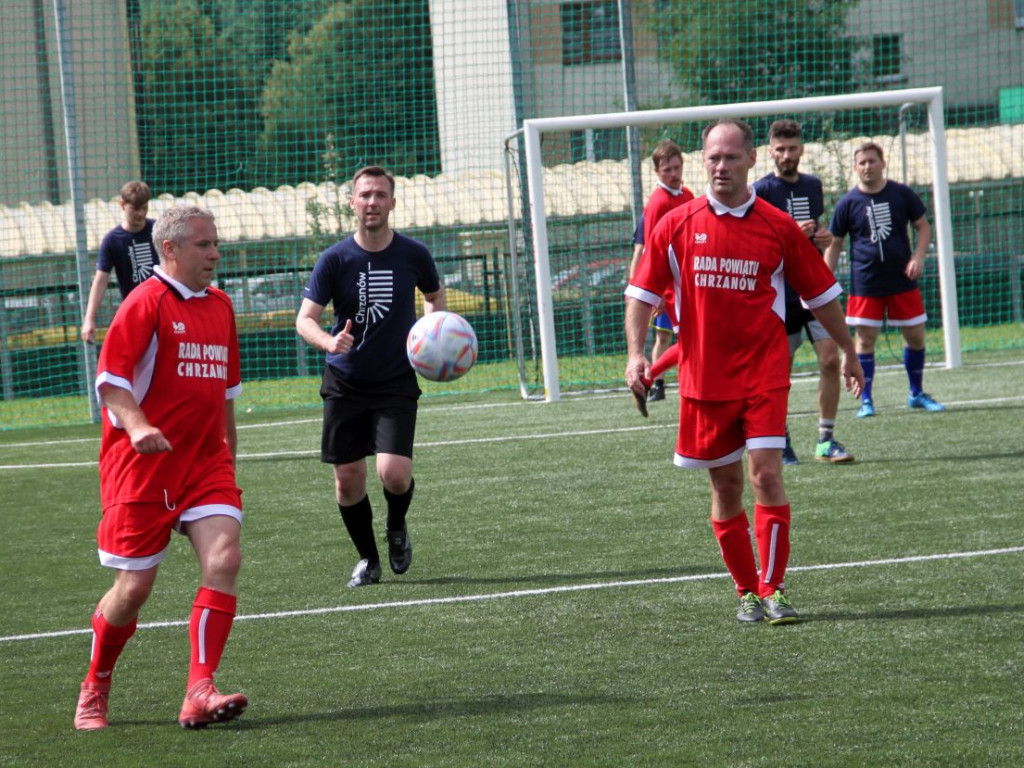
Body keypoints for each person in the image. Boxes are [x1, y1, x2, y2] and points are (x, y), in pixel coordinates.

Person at [625, 119, 864, 625]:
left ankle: (774, 589)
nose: (720, 166)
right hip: (704, 381)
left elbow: (821, 295)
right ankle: (746, 591)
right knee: (726, 487)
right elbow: (640, 295)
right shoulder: (676, 224)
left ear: (751, 160)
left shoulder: (777, 226)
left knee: (766, 475)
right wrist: (636, 354)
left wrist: (848, 349)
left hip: (763, 374)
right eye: (712, 157)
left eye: (731, 157)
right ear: (702, 161)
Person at [74, 205, 248, 730]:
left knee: (225, 557)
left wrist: (229, 465)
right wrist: (138, 425)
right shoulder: (143, 303)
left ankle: (200, 689)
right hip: (142, 466)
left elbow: (226, 398)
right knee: (133, 591)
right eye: (203, 245)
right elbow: (112, 381)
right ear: (169, 250)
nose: (215, 253)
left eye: (215, 243)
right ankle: (95, 684)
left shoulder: (221, 306)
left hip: (204, 463)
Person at [296, 166, 445, 589]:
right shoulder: (335, 258)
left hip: (396, 379)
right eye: (364, 195)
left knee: (394, 474)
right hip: (344, 383)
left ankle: (396, 528)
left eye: (380, 195)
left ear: (393, 202)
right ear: (352, 204)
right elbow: (305, 319)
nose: (372, 202)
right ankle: (369, 558)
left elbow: (434, 296)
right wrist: (328, 342)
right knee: (348, 480)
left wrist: (429, 335)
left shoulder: (414, 254)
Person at [753, 119, 853, 464]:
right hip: (781, 294)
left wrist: (823, 240)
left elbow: (818, 235)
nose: (786, 155)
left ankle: (826, 439)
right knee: (781, 372)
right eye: (780, 149)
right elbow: (758, 244)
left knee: (829, 360)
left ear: (802, 149)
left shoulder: (813, 186)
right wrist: (792, 232)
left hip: (813, 290)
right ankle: (780, 438)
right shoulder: (761, 190)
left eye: (792, 148)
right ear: (770, 152)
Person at [824, 142, 944, 418]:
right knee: (865, 340)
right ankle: (866, 400)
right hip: (866, 283)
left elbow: (923, 225)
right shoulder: (847, 203)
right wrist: (824, 279)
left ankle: (916, 393)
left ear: (883, 163)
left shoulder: (902, 194)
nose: (867, 166)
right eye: (862, 162)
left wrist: (919, 256)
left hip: (903, 279)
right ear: (855, 168)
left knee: (915, 336)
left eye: (872, 161)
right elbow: (836, 243)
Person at [628, 139, 695, 402]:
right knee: (679, 341)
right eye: (667, 169)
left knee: (686, 341)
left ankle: (650, 379)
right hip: (672, 288)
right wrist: (659, 293)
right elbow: (652, 251)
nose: (674, 173)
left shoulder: (688, 196)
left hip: (689, 282)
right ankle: (654, 381)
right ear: (657, 171)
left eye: (676, 167)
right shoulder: (657, 203)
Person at [81, 181, 157, 343]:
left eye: (144, 208)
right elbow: (100, 281)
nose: (141, 213)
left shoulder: (158, 230)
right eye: (135, 209)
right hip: (136, 314)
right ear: (122, 205)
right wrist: (89, 319)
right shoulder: (112, 240)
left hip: (163, 308)